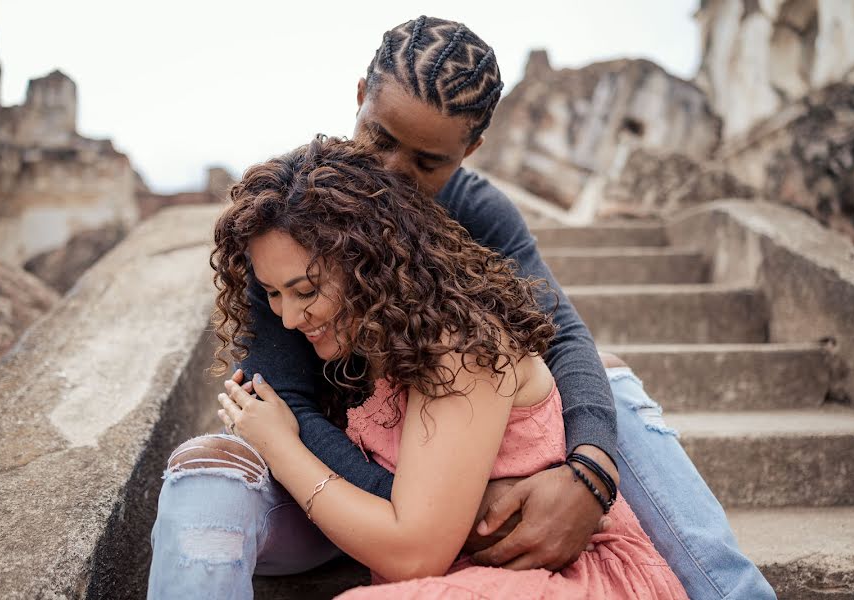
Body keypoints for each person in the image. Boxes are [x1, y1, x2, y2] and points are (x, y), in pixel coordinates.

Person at [147, 16, 774, 600]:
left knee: (603, 375)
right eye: (380, 139)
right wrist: (447, 509)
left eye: (426, 161)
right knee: (208, 474)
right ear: (361, 94)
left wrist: (590, 474)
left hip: (443, 481)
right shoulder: (290, 220)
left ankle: (733, 590)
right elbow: (282, 402)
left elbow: (562, 336)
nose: (390, 173)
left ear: (469, 149)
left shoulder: (479, 216)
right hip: (343, 486)